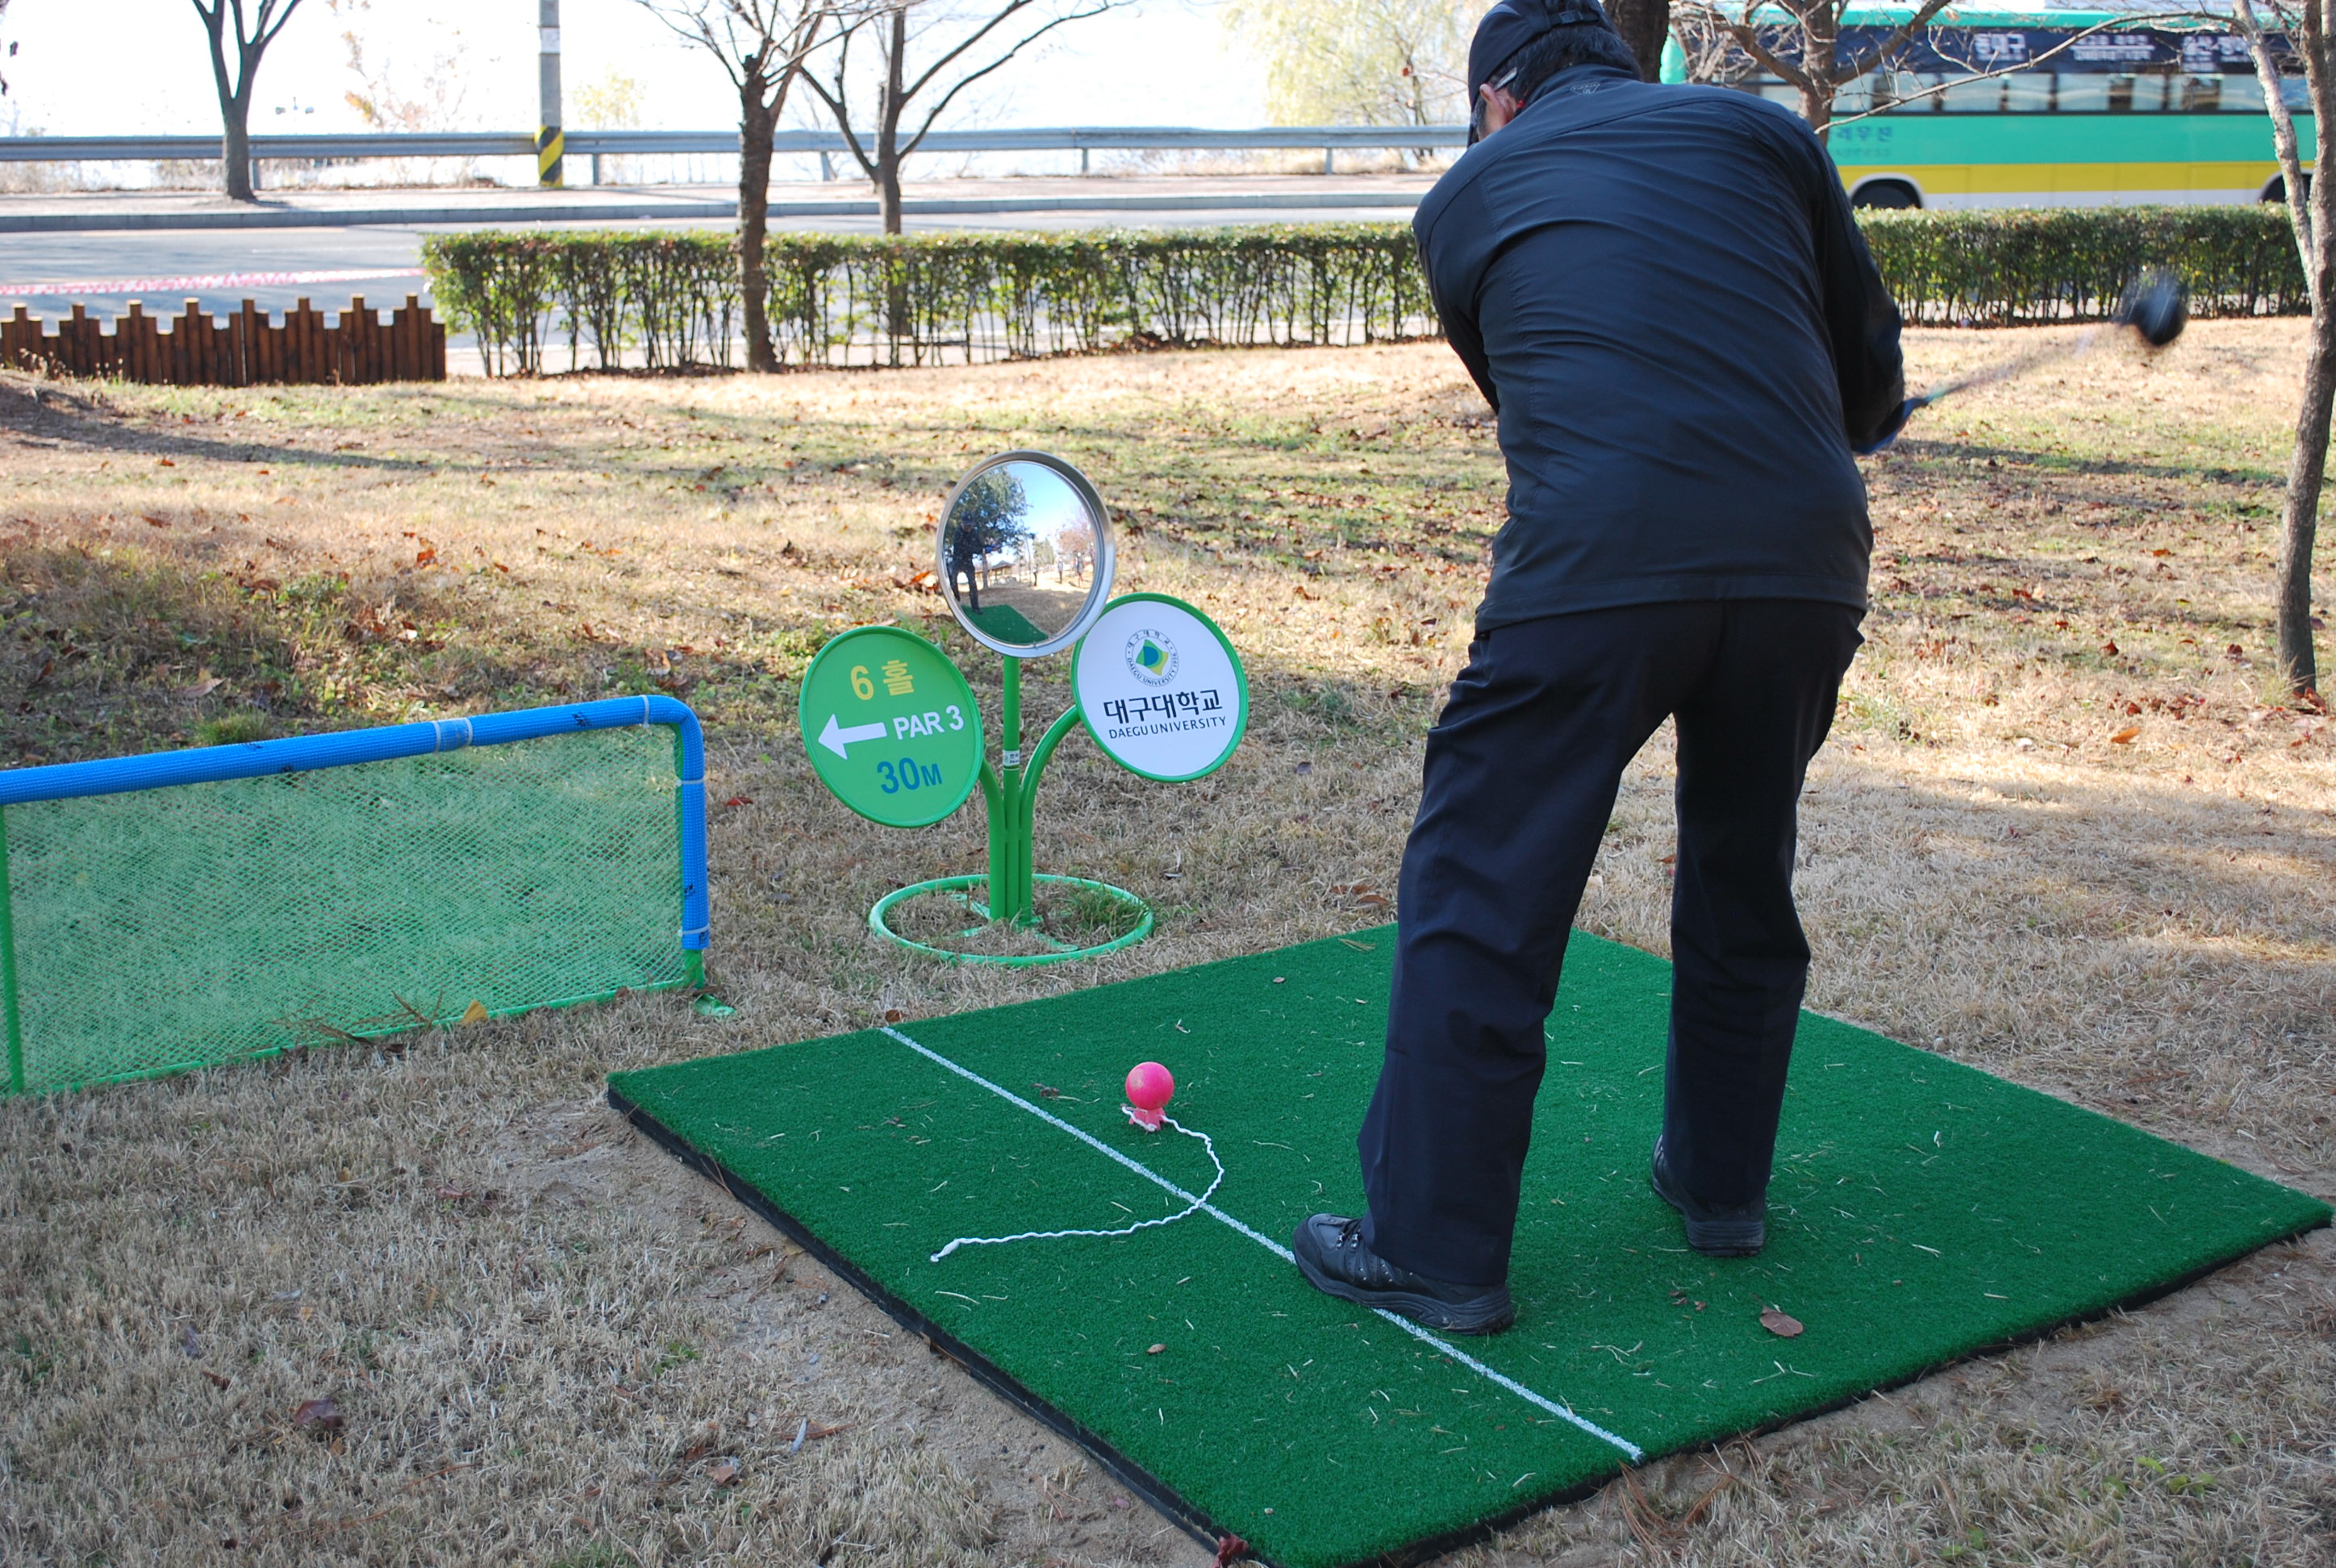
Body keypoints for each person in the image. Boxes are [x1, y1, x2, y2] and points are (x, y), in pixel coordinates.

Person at [1291, 0, 1910, 1335]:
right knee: (1744, 864)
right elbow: (1864, 368)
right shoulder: (1764, 136)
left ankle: (1433, 1250)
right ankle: (1721, 1188)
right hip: (1805, 563)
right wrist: (1864, 415)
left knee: (1481, 889)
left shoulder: (1463, 202)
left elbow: (1533, 389)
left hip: (1595, 569)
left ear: (1497, 102)